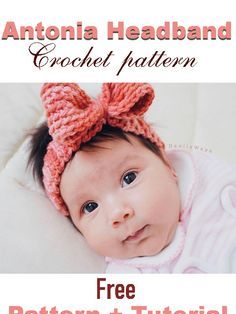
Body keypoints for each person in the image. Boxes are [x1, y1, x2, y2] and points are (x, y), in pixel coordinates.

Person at [28, 82, 236, 273]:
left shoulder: (212, 185)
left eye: (129, 178)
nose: (118, 213)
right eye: (90, 206)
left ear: (167, 165)